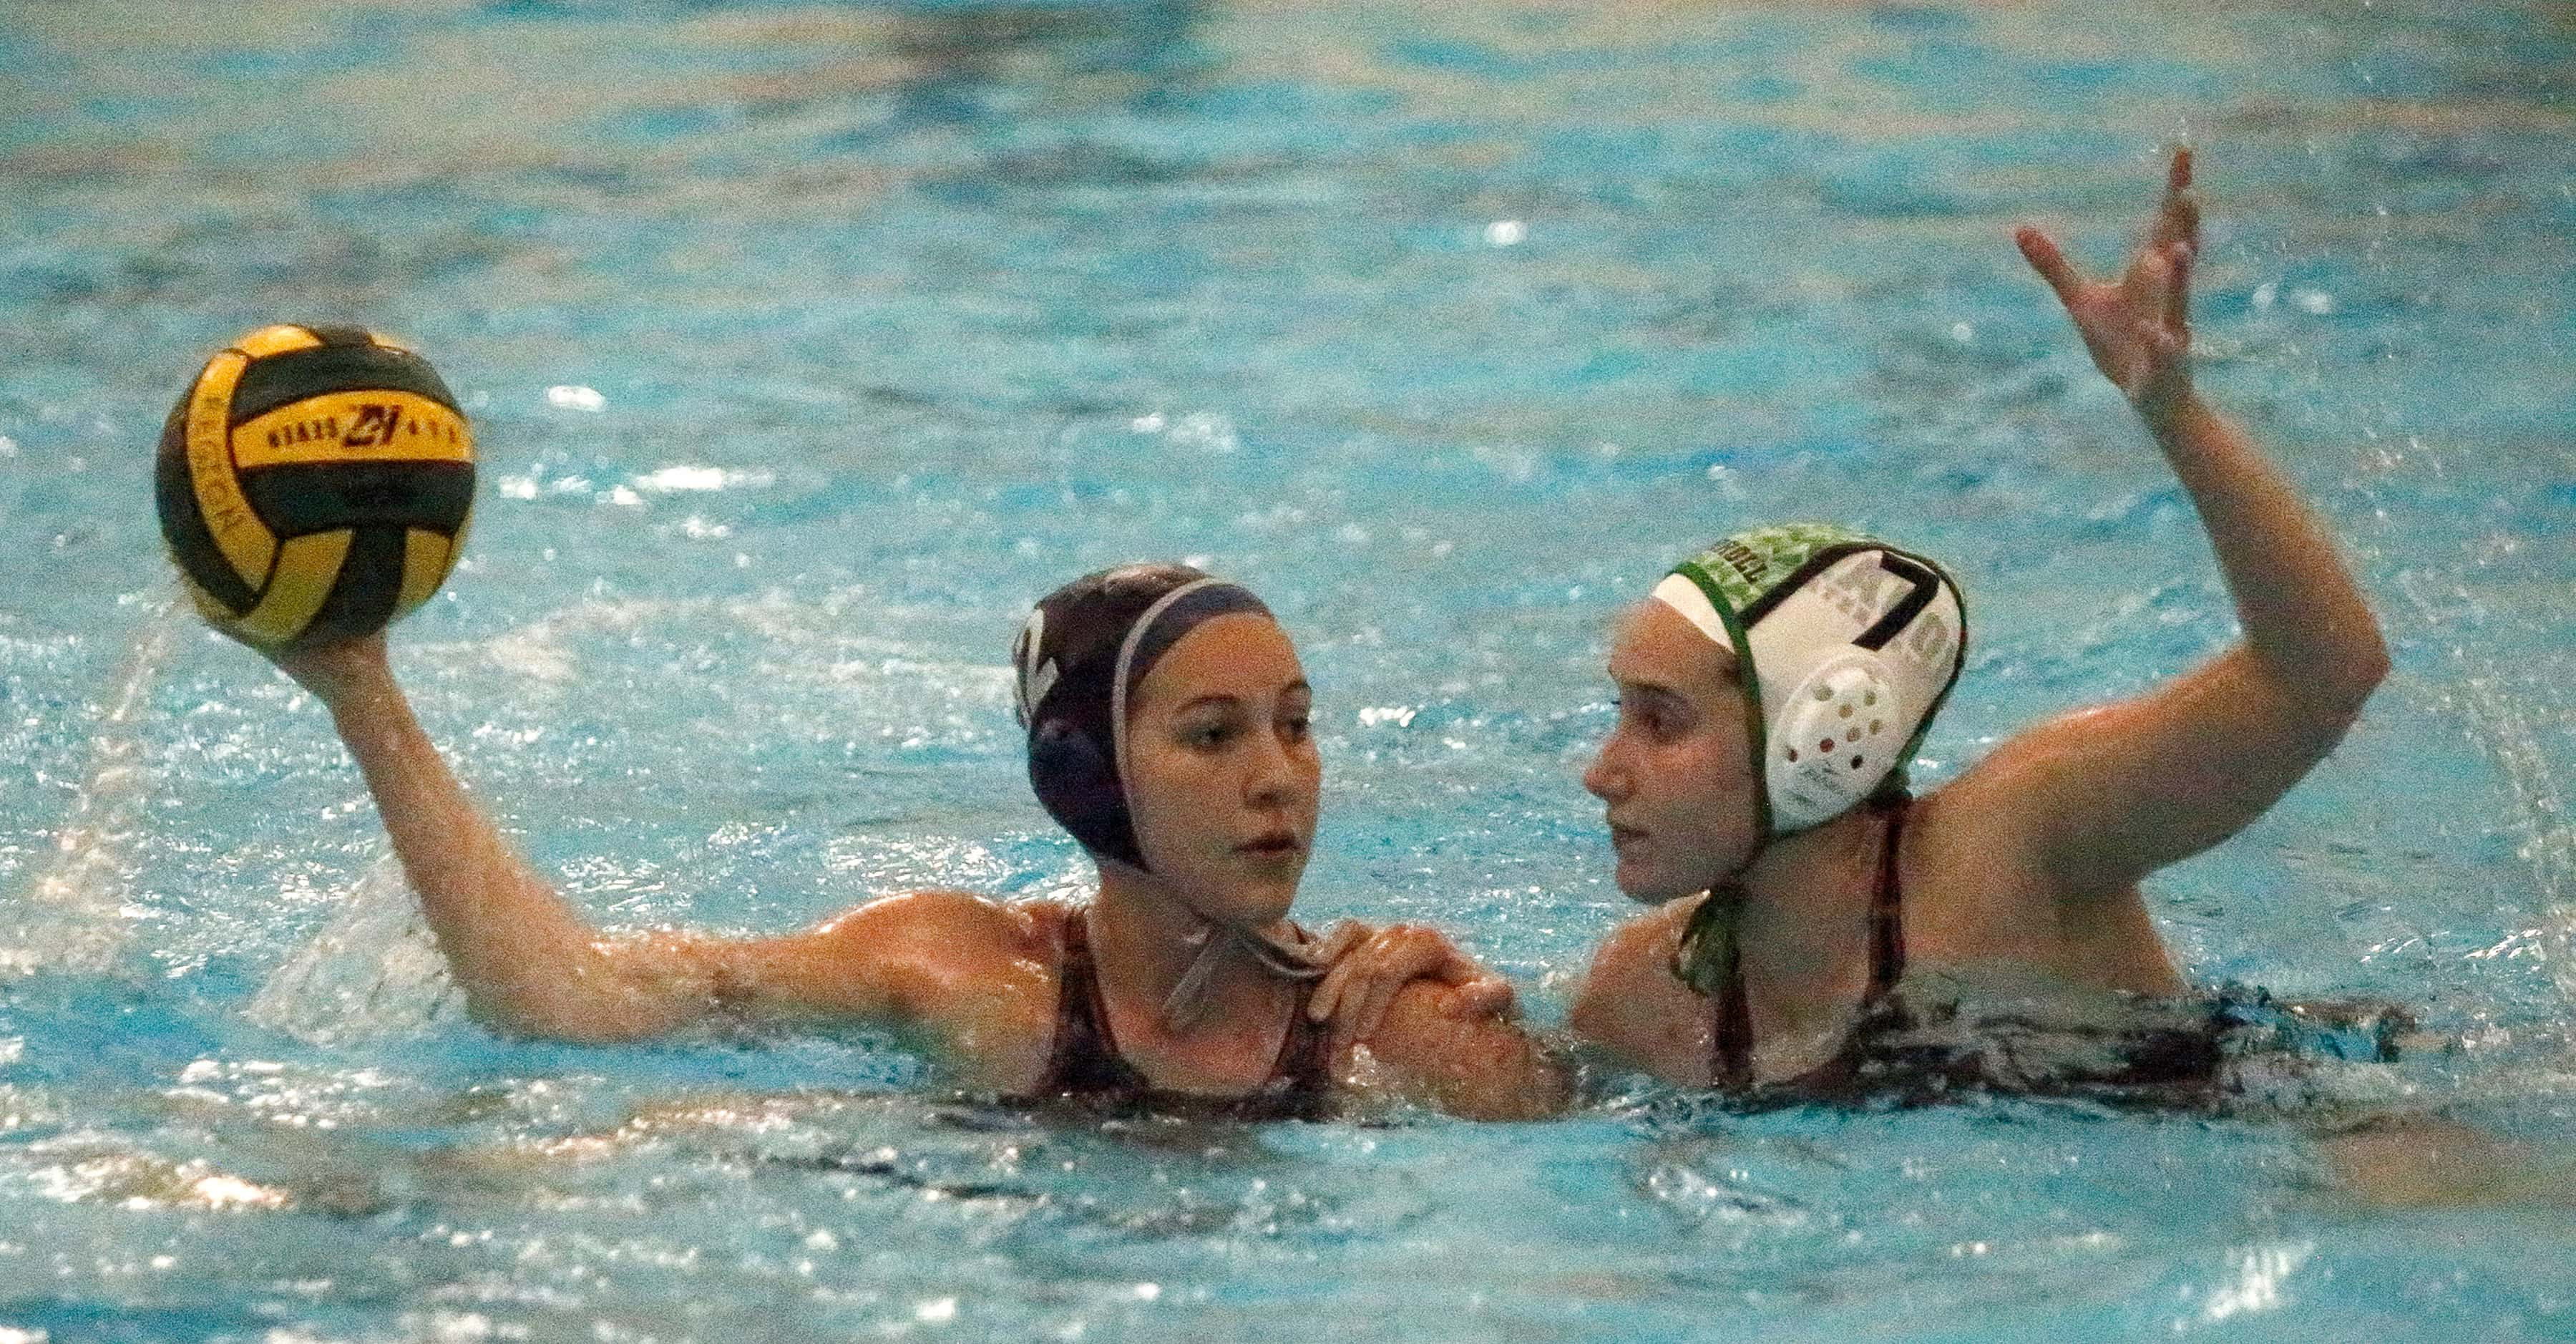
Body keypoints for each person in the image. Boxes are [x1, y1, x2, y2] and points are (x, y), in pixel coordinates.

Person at [1569, 150, 2393, 1097]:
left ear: (1821, 731)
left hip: (2290, 1116)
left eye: (1659, 719)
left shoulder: (2014, 842)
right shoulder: (1637, 999)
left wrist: (2174, 413)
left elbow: (2325, 674)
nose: (1602, 769)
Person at [256, 563, 1568, 1120]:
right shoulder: (961, 976)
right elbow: (566, 999)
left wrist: (1525, 1044)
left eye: (1296, 725)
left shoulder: (1386, 1028)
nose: (1279, 780)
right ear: (1082, 771)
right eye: (1214, 737)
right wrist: (360, 689)